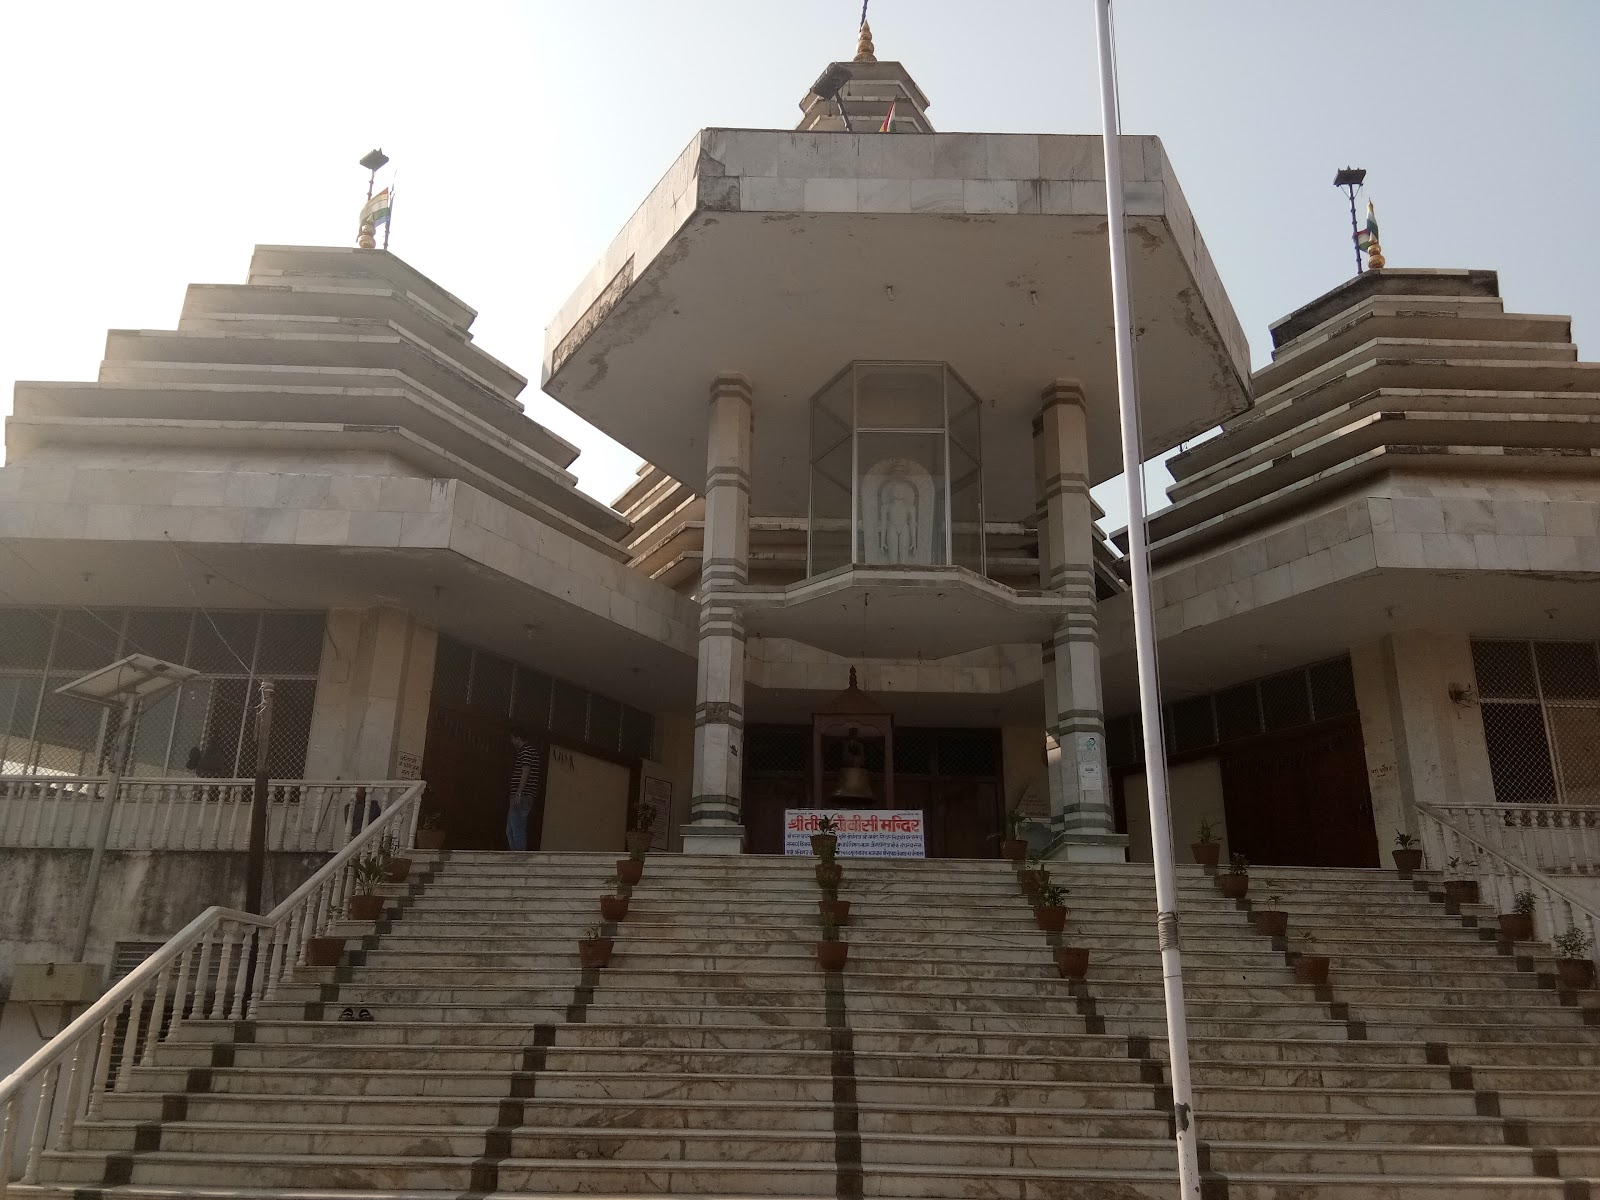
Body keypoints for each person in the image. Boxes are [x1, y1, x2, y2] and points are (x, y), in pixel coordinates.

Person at [505, 734, 540, 851]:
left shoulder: (526, 751)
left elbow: (525, 771)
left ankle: (519, 854)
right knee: (511, 829)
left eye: (512, 738)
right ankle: (516, 853)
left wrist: (518, 792)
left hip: (522, 795)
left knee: (516, 827)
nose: (511, 741)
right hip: (524, 795)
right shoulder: (531, 752)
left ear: (519, 737)